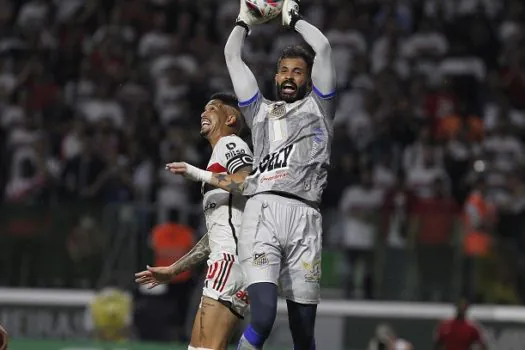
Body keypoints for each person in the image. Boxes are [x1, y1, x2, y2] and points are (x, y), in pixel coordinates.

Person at [225, 0, 336, 348]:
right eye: (284, 70)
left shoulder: (320, 106)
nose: (289, 76)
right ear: (275, 76)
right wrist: (244, 21)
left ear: (308, 78)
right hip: (264, 212)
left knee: (304, 333)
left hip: (306, 218)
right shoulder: (259, 110)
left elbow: (324, 48)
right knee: (263, 316)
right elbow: (231, 58)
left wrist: (293, 19)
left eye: (297, 71)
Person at [135, 92, 254, 350]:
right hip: (223, 260)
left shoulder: (231, 145)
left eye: (212, 108)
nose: (204, 113)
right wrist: (174, 269)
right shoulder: (216, 159)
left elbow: (247, 183)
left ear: (230, 117)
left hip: (231, 260)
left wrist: (196, 172)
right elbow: (215, 233)